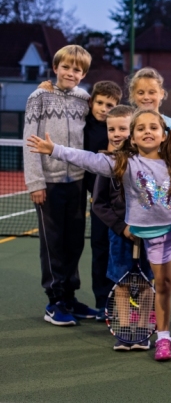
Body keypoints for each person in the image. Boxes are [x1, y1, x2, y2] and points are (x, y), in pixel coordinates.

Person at [27, 109, 171, 361]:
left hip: (166, 235)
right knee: (139, 285)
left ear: (163, 135)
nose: (147, 131)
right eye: (140, 128)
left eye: (153, 127)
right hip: (136, 231)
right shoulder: (123, 163)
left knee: (163, 285)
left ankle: (162, 338)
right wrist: (55, 149)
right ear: (133, 138)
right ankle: (145, 333)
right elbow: (89, 159)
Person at [22, 44, 98, 326]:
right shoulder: (38, 97)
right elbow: (30, 141)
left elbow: (103, 116)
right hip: (49, 185)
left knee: (74, 242)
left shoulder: (84, 99)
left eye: (77, 69)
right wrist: (35, 182)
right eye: (65, 67)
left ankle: (69, 298)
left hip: (77, 183)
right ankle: (54, 302)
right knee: (53, 243)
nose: (70, 72)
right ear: (55, 68)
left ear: (83, 73)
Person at [91, 105, 153, 351]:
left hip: (149, 235)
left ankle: (144, 331)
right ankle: (126, 330)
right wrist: (122, 227)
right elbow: (99, 204)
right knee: (122, 283)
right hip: (119, 236)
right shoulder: (107, 164)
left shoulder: (151, 163)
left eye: (122, 128)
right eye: (111, 129)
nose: (116, 134)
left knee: (147, 282)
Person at [84, 81, 122, 321]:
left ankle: (123, 302)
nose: (104, 108)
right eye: (100, 102)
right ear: (91, 102)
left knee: (118, 253)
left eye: (110, 105)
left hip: (120, 205)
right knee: (99, 250)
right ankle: (102, 303)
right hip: (97, 202)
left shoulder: (119, 128)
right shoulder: (82, 123)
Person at [127, 67, 171, 155]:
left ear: (161, 94)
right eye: (141, 93)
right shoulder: (126, 123)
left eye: (151, 92)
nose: (146, 97)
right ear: (133, 95)